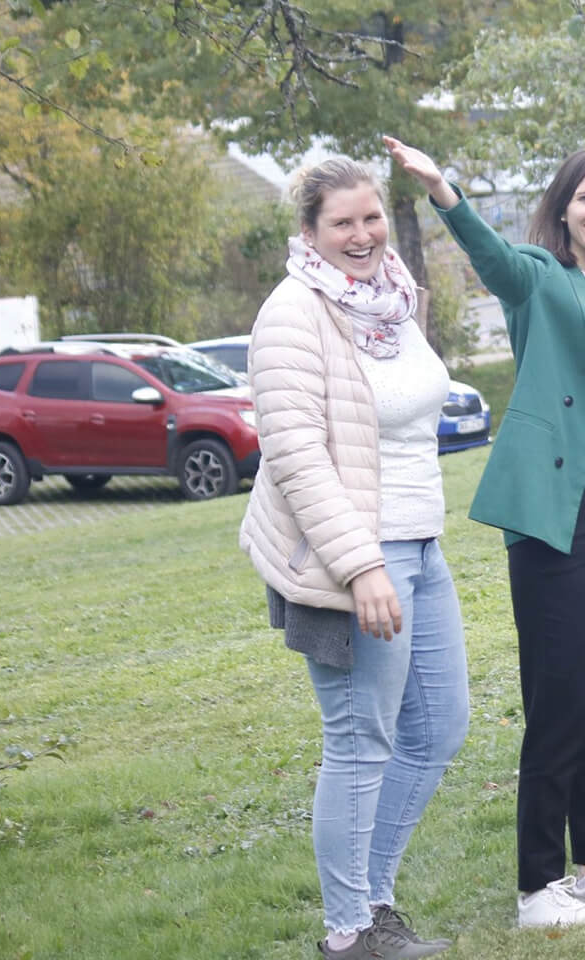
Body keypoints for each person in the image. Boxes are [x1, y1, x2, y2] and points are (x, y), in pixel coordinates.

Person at [383, 135, 585, 929]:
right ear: (564, 208)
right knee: (563, 699)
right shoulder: (541, 280)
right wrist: (445, 189)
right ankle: (537, 886)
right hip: (562, 515)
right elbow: (494, 261)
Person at [239, 157, 467, 960]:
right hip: (347, 559)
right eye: (343, 223)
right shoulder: (292, 314)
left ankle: (373, 903)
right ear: (310, 232)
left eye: (371, 217)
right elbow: (298, 455)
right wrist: (363, 566)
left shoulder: (391, 301)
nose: (363, 235)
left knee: (439, 727)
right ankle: (350, 932)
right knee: (360, 737)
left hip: (419, 543)